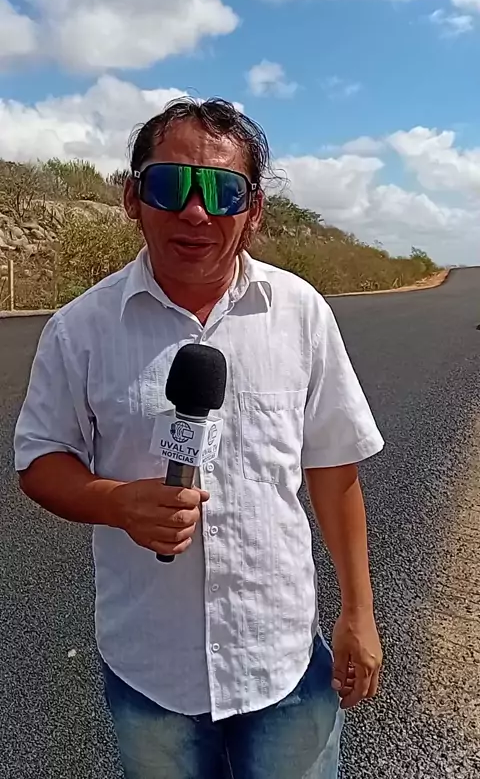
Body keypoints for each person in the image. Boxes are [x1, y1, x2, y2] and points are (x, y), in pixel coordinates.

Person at [14, 98, 384, 779]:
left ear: (255, 210)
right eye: (169, 184)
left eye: (222, 191)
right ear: (132, 198)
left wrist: (358, 612)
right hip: (150, 670)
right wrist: (117, 502)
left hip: (281, 661)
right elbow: (39, 459)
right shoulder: (79, 330)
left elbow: (334, 468)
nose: (194, 211)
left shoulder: (302, 313)